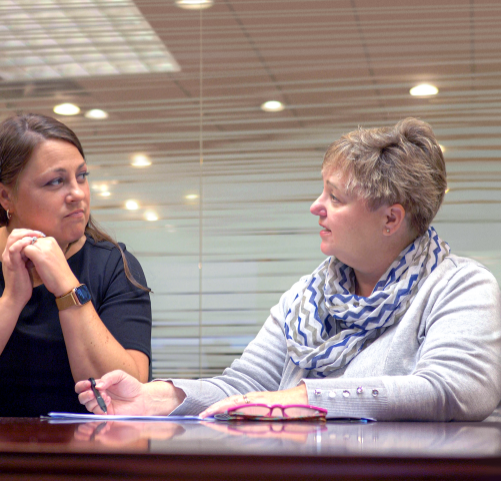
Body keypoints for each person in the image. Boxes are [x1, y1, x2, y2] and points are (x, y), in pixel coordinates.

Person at [76, 118, 501, 422]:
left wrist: (303, 397)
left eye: (335, 197)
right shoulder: (308, 296)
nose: (316, 206)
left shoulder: (460, 286)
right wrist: (160, 397)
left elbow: (454, 389)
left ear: (391, 219)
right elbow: (245, 385)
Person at [0, 113, 152, 417]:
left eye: (81, 176)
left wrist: (68, 288)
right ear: (6, 195)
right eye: (56, 181)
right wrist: (11, 301)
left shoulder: (115, 266)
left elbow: (126, 396)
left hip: (90, 456)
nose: (77, 194)